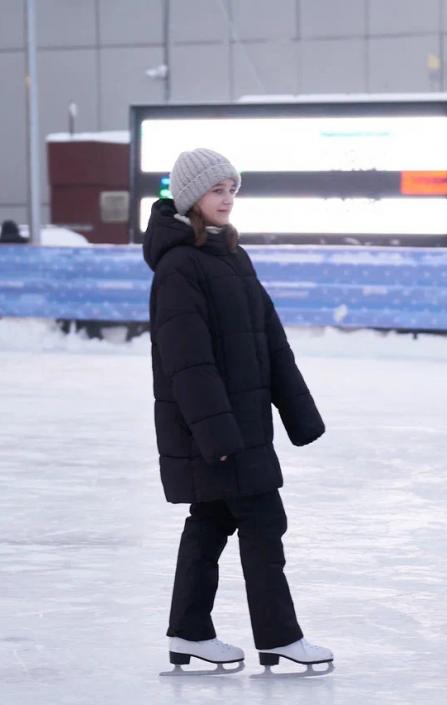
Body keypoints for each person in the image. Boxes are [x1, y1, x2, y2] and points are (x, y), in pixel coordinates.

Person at [144, 148, 333, 671]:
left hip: (238, 427)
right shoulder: (181, 267)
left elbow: (270, 341)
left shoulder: (230, 255)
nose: (226, 200)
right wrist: (219, 438)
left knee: (208, 524)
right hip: (217, 432)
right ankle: (279, 637)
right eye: (215, 190)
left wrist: (299, 413)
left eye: (231, 190)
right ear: (190, 198)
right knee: (262, 522)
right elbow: (188, 364)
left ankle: (188, 632)